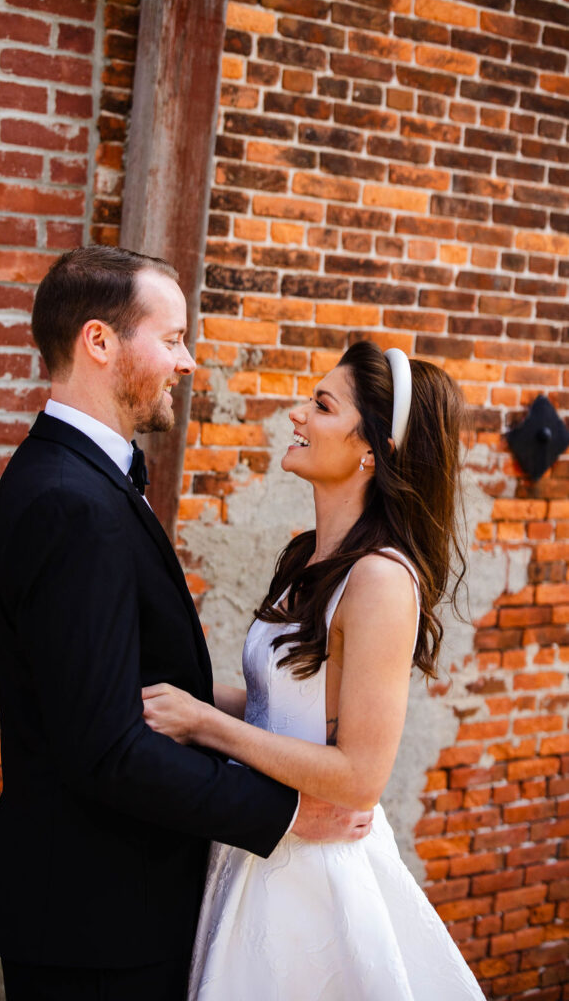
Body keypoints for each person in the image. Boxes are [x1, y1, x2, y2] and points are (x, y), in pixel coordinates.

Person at [0, 245, 373, 1001]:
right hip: (98, 920)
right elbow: (106, 748)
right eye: (173, 337)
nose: (187, 362)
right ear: (99, 342)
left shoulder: (80, 481)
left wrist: (254, 714)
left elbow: (127, 690)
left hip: (107, 902)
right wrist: (286, 813)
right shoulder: (70, 503)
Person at [142, 340, 486, 1000]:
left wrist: (205, 726)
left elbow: (359, 777)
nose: (297, 414)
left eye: (321, 405)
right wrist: (166, 689)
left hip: (314, 873)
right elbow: (279, 708)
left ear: (372, 449)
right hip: (258, 844)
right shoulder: (306, 556)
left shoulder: (381, 579)